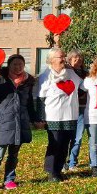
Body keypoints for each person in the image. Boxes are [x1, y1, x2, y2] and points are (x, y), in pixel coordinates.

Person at [0, 54, 43, 193]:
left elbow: (29, 105)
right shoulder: (0, 80)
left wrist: (35, 120)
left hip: (20, 124)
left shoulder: (27, 83)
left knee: (13, 155)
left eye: (20, 64)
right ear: (9, 65)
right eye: (15, 64)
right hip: (4, 124)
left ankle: (9, 180)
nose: (18, 67)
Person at [37, 48, 83, 182]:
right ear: (51, 60)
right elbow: (41, 98)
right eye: (60, 57)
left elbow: (82, 86)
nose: (63, 59)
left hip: (70, 115)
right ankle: (51, 172)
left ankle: (58, 170)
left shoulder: (71, 73)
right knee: (55, 143)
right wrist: (40, 119)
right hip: (53, 116)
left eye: (64, 56)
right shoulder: (45, 76)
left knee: (65, 144)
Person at [66, 50, 88, 172]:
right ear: (69, 59)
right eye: (75, 58)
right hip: (67, 109)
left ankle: (72, 162)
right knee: (66, 136)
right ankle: (63, 162)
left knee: (77, 137)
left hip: (82, 108)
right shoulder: (65, 72)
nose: (78, 60)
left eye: (80, 58)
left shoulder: (86, 74)